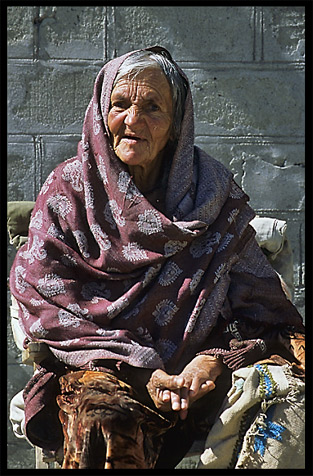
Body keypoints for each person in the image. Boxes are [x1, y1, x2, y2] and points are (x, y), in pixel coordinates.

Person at [9, 46, 305, 469]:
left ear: (177, 125)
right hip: (103, 364)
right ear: (101, 112)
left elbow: (265, 308)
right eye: (120, 105)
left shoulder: (211, 193)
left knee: (288, 401)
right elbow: (40, 296)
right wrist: (140, 369)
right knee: (105, 421)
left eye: (153, 107)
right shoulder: (69, 191)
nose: (133, 121)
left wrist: (214, 360)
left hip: (197, 372)